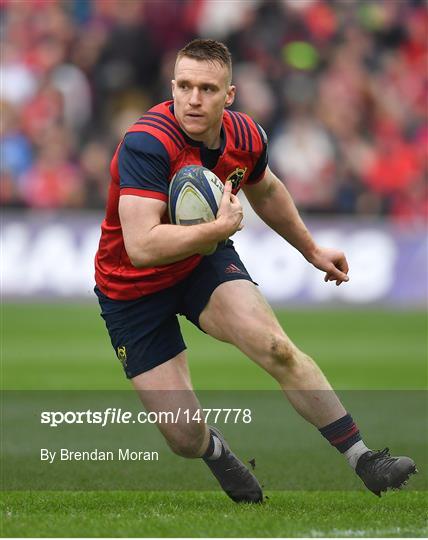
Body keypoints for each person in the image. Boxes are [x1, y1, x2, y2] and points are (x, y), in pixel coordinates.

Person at [94, 39, 417, 502]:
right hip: (131, 289)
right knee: (184, 438)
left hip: (199, 263)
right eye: (183, 86)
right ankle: (217, 452)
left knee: (276, 347)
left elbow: (265, 190)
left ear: (229, 95)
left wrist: (310, 249)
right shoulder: (147, 142)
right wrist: (218, 228)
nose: (193, 99)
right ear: (172, 88)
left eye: (207, 88)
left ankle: (365, 458)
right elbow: (142, 246)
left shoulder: (246, 135)